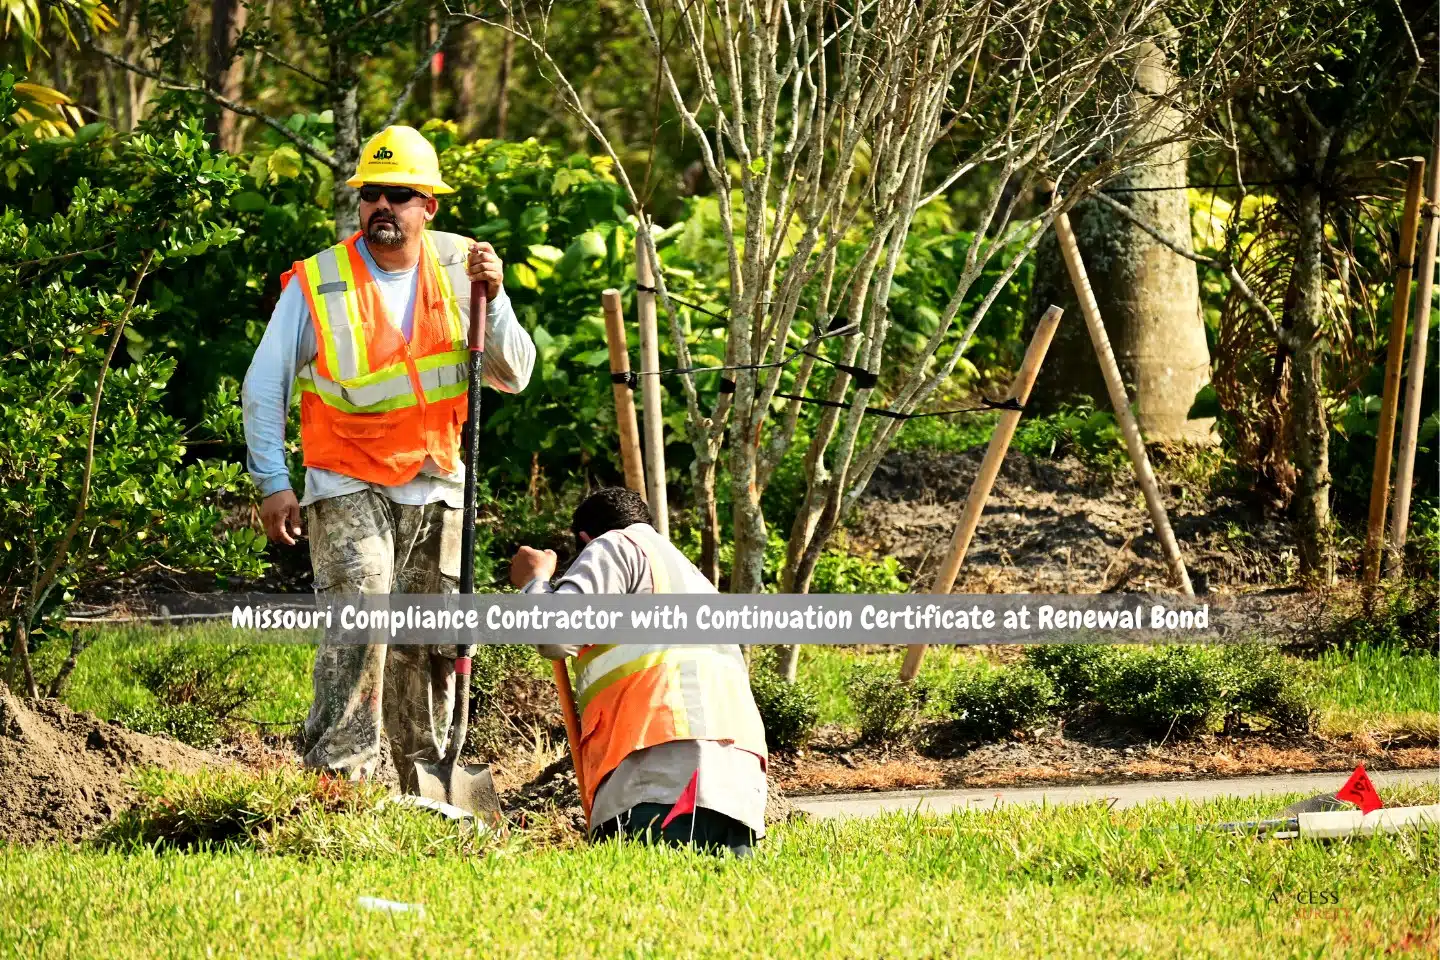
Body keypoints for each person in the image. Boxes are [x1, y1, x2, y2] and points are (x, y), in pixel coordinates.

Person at [242, 125, 536, 789]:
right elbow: (264, 386)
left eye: (397, 194)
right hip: (345, 478)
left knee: (432, 642)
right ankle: (339, 783)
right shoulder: (319, 281)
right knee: (362, 620)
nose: (381, 205)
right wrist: (272, 481)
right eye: (370, 194)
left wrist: (500, 297)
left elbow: (512, 374)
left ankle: (425, 782)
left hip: (435, 481)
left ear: (427, 205)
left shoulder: (465, 268)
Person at [510, 487, 769, 856]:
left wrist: (534, 582)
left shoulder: (614, 546)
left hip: (663, 773)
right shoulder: (691, 577)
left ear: (585, 539)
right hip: (736, 780)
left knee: (652, 907)